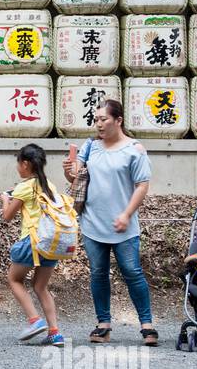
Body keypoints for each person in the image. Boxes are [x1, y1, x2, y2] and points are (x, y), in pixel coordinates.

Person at [63, 99, 157, 346]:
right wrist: (68, 171)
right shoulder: (90, 146)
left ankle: (147, 324)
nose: (99, 124)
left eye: (104, 119)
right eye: (96, 120)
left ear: (119, 120)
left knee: (132, 272)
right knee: (98, 273)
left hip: (123, 223)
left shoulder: (135, 149)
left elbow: (142, 185)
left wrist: (127, 214)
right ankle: (103, 323)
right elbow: (76, 177)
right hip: (93, 221)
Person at [0, 144, 64, 347]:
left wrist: (4, 200)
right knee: (40, 286)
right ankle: (55, 333)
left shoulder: (24, 187)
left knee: (14, 279)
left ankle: (35, 320)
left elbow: (7, 217)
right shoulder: (50, 186)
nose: (18, 167)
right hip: (51, 243)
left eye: (18, 163)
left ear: (25, 164)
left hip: (33, 241)